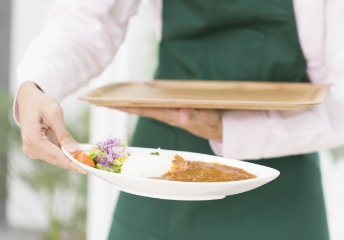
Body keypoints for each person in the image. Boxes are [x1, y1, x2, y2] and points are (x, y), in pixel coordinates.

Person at [14, 0, 344, 239]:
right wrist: (37, 84)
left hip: (283, 180)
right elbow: (86, 23)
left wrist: (230, 128)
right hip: (161, 164)